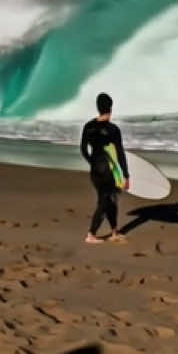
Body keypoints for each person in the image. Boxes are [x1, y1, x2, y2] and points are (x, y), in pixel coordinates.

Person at [80, 91, 130, 244]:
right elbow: (120, 153)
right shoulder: (113, 129)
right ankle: (91, 234)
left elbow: (83, 149)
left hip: (95, 171)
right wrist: (126, 175)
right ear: (110, 108)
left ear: (98, 108)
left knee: (109, 200)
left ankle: (114, 232)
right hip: (108, 170)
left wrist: (92, 162)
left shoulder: (88, 126)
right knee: (105, 201)